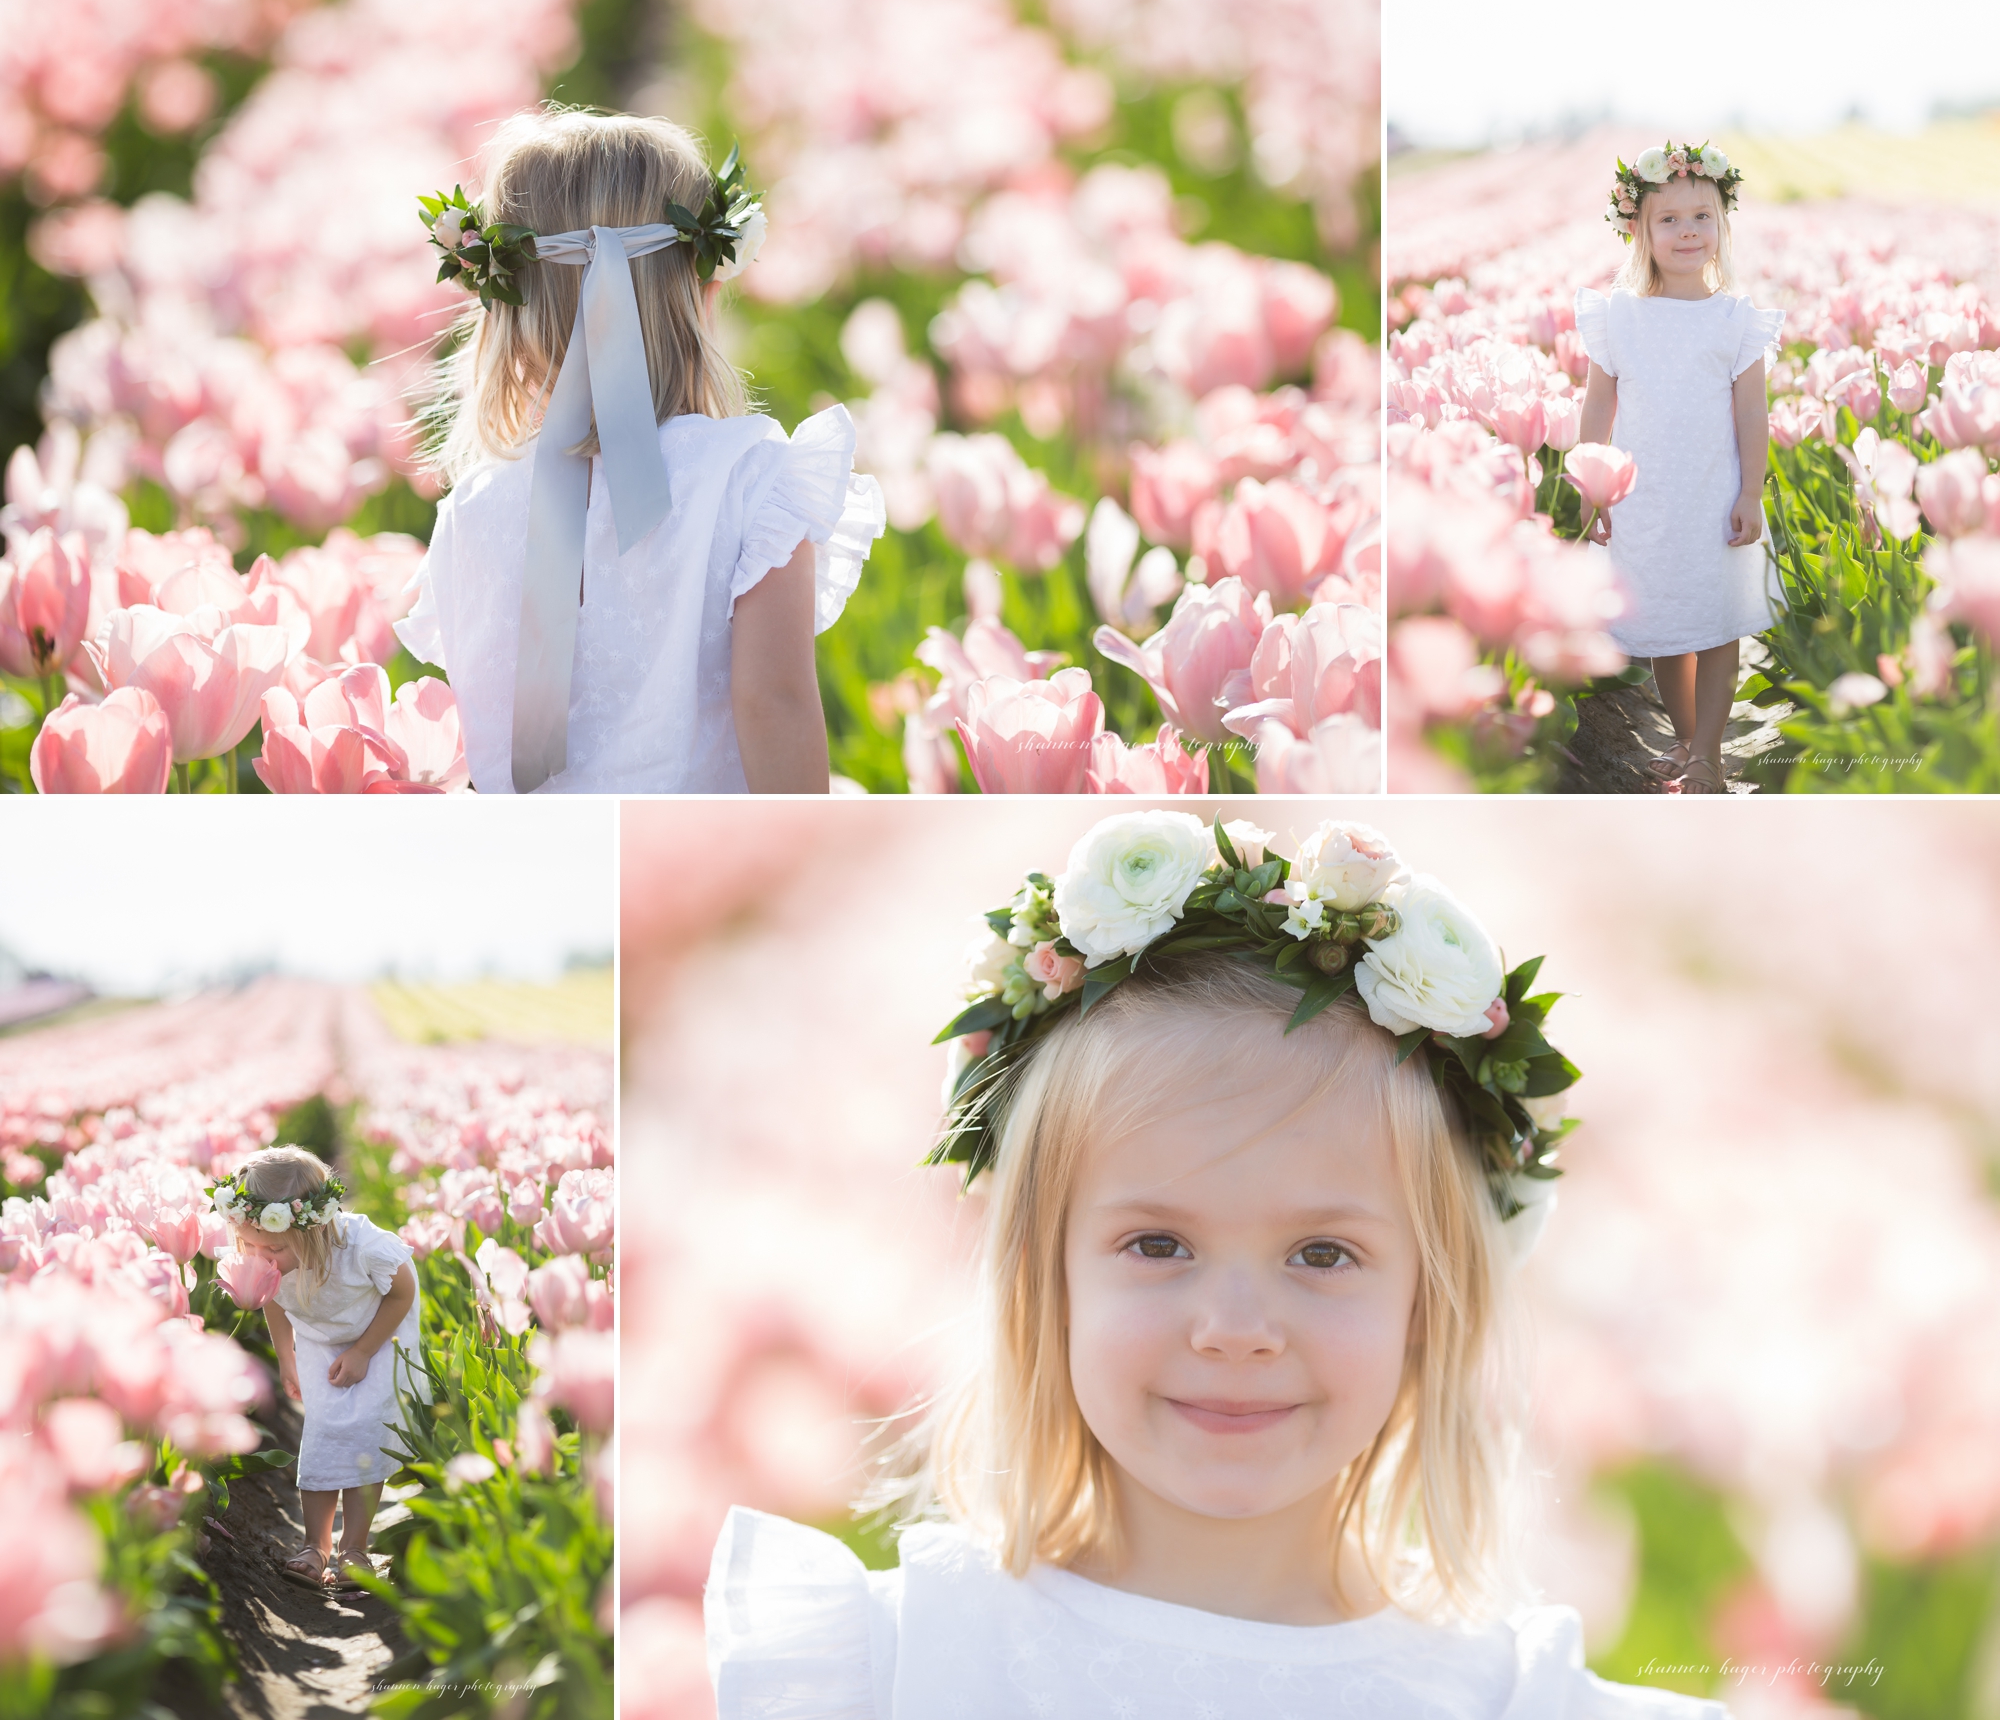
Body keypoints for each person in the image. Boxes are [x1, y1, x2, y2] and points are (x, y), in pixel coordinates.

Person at [703, 811, 1726, 1717]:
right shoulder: (903, 1664)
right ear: (1046, 1279)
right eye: (1158, 1244)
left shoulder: (1509, 1701)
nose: (1235, 1328)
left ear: (1429, 1296)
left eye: (1322, 1253)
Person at [397, 108, 885, 794]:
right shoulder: (750, 480)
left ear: (504, 304)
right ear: (701, 290)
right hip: (701, 853)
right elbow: (773, 703)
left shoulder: (474, 510)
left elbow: (485, 741)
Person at [1575, 140, 1785, 794]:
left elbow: (1752, 415)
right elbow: (1598, 405)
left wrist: (1750, 492)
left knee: (1717, 623)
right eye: (1669, 219)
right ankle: (1689, 736)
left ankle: (1710, 754)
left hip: (1713, 495)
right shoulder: (1619, 316)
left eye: (1701, 217)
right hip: (1646, 502)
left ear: (1722, 226)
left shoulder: (1736, 319)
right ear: (1638, 230)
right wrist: (1592, 489)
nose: (1687, 230)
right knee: (1665, 629)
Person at [213, 1146, 423, 1590]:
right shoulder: (268, 1253)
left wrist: (363, 1351)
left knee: (365, 1432)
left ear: (317, 1228)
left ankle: (355, 1548)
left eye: (274, 1248)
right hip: (319, 1338)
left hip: (379, 1335)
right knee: (324, 1432)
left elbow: (402, 1292)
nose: (261, 1257)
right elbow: (272, 1299)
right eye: (249, 1245)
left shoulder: (363, 1247)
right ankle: (316, 1544)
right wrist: (286, 1358)